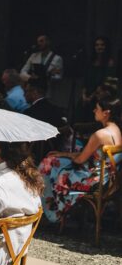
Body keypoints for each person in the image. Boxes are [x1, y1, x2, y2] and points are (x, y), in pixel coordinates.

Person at [40, 92, 122, 223]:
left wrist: (63, 155)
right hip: (108, 181)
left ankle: (52, 212)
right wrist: (63, 155)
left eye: (97, 108)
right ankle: (52, 209)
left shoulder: (101, 135)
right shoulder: (117, 130)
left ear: (106, 113)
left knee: (47, 165)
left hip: (93, 181)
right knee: (55, 162)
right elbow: (90, 157)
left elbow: (80, 160)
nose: (94, 110)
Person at [77, 36, 117, 123]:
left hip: (99, 98)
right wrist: (84, 95)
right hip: (86, 96)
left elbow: (107, 84)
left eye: (102, 45)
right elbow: (85, 80)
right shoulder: (90, 62)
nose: (99, 47)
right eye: (97, 45)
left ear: (106, 47)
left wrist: (91, 97)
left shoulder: (110, 63)